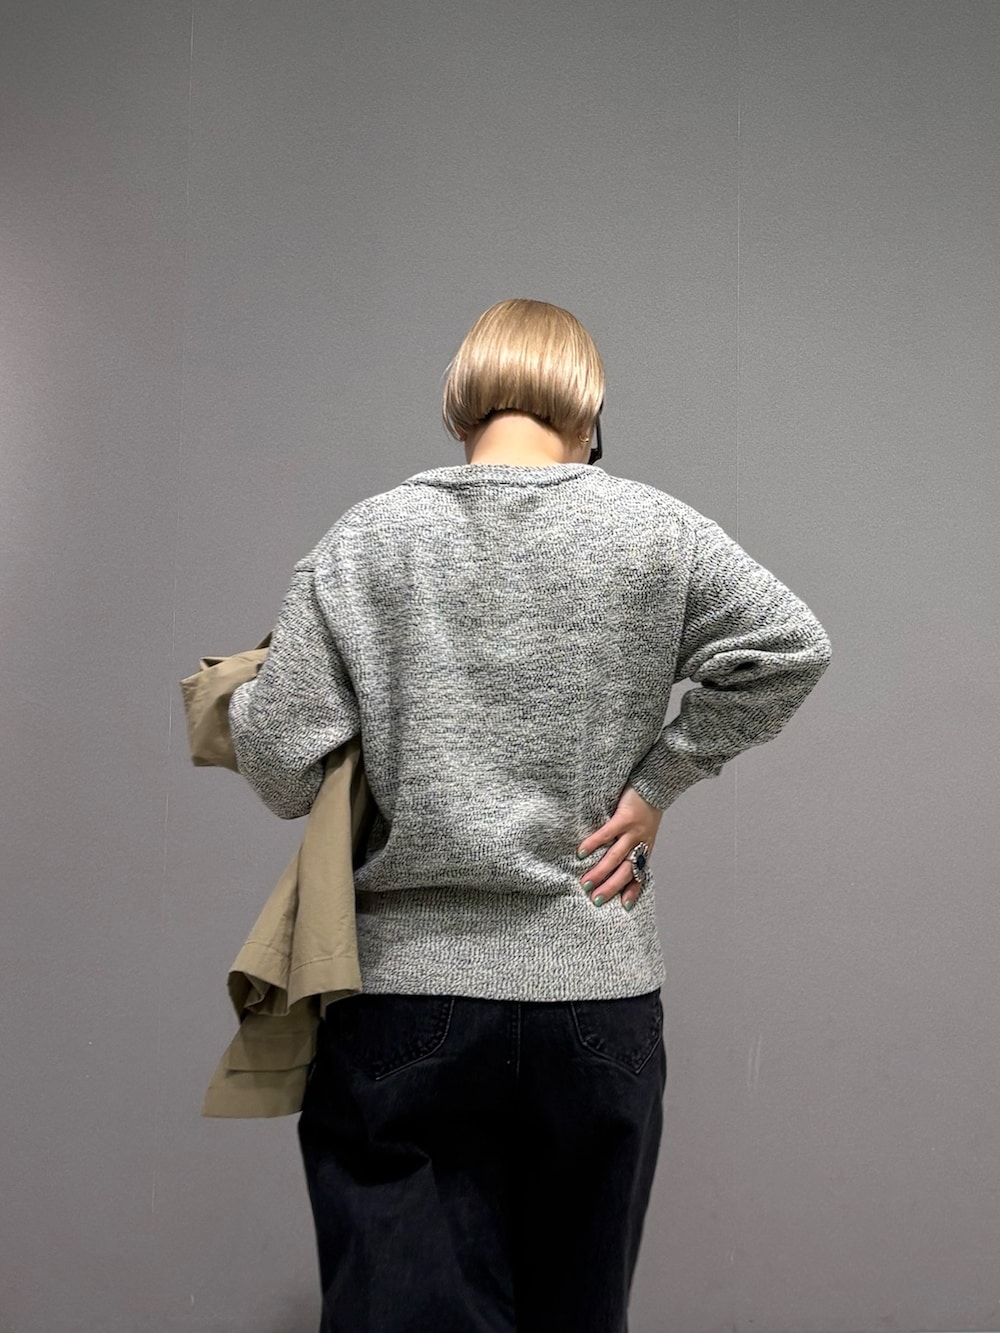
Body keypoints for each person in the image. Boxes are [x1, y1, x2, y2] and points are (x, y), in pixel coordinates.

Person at [227, 298, 833, 1332]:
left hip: (407, 999)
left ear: (460, 402)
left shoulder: (368, 540)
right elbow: (792, 646)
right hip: (597, 996)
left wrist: (255, 691)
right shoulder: (656, 529)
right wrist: (658, 785)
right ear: (587, 411)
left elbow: (281, 767)